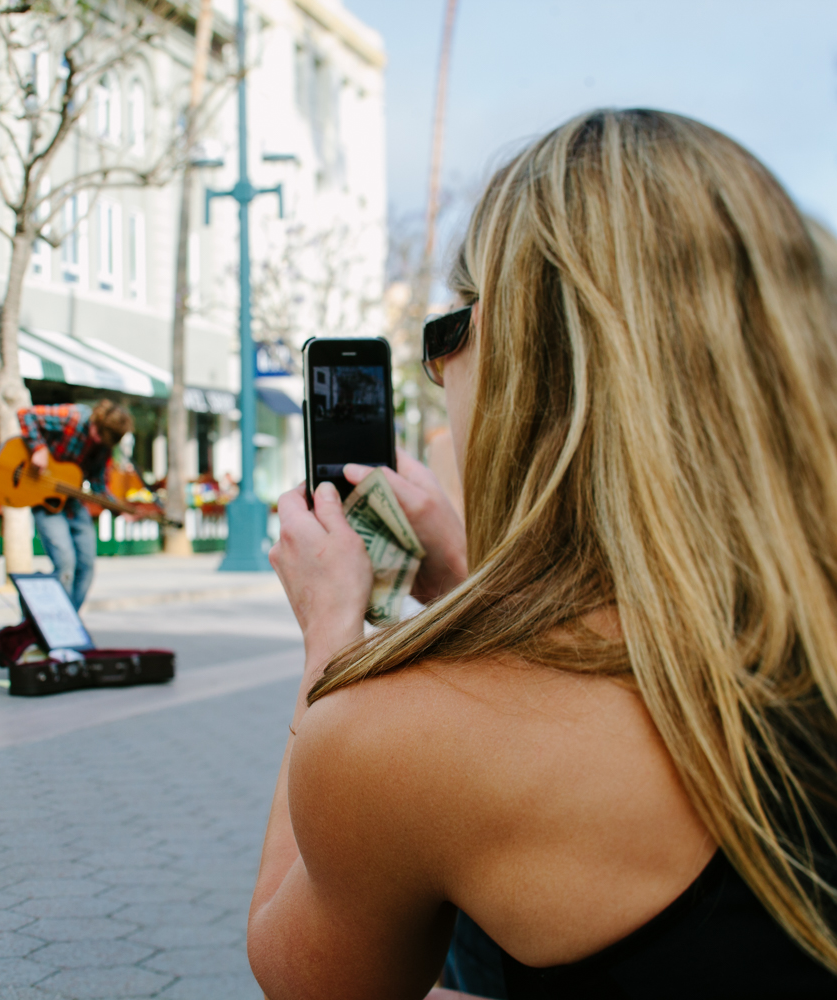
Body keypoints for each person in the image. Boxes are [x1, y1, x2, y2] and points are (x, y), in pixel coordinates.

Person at [247, 109, 837, 998]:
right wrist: (475, 575)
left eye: (452, 326)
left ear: (533, 364)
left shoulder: (402, 740)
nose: (440, 370)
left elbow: (308, 984)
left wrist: (332, 641)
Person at [17, 400, 134, 609]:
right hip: (45, 499)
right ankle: (52, 624)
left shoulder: (103, 444)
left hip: (72, 502)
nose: (98, 440)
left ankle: (67, 624)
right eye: (98, 434)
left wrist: (120, 509)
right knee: (65, 565)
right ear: (96, 421)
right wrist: (39, 448)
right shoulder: (72, 416)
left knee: (86, 567)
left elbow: (99, 486)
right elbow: (26, 414)